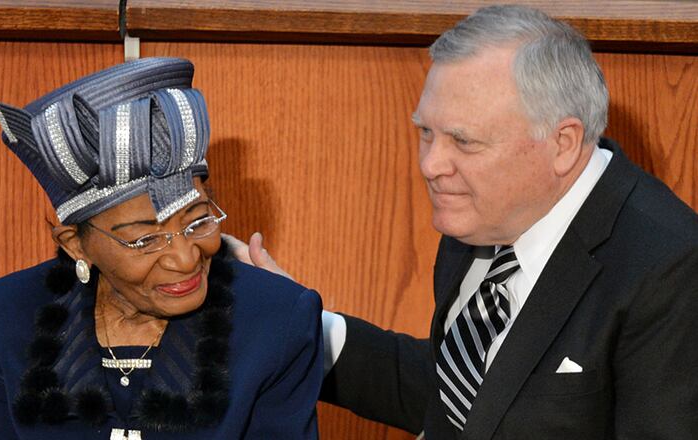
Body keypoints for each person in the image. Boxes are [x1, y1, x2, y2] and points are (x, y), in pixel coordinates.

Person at [226, 5, 698, 439]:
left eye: (464, 142)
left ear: (564, 143)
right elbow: (469, 397)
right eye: (426, 132)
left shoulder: (672, 271)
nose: (432, 165)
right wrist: (295, 321)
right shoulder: (484, 214)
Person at [0, 57, 323, 439]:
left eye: (197, 220)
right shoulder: (4, 317)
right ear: (75, 246)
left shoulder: (276, 321)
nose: (185, 259)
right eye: (144, 239)